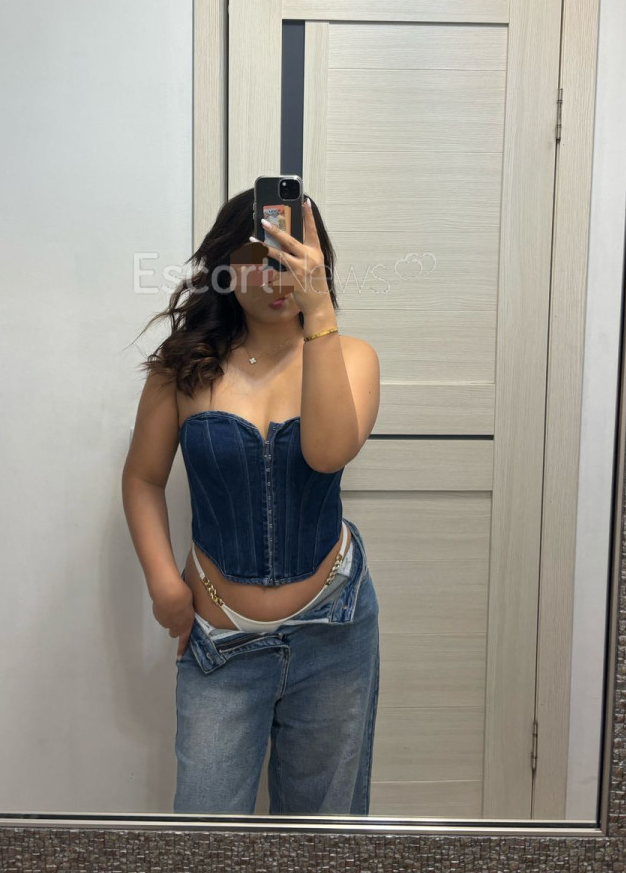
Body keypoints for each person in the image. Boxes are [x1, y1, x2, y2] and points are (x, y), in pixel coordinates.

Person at [121, 189, 381, 816]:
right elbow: (143, 479)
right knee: (206, 834)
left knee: (325, 834)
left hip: (334, 629)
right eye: (257, 259)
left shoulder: (351, 357)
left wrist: (320, 315)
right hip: (219, 637)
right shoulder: (182, 369)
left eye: (291, 259)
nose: (275, 277)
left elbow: (327, 453)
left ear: (317, 263)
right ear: (223, 267)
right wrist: (163, 583)